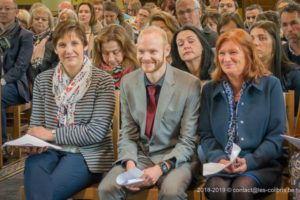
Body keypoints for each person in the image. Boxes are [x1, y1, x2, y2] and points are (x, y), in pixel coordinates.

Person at [98, 26, 201, 200]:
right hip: (141, 155)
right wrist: (131, 165)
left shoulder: (189, 84)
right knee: (107, 188)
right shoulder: (128, 82)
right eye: (141, 51)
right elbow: (128, 134)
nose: (145, 58)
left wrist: (160, 168)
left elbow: (188, 141)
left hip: (175, 158)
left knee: (171, 192)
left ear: (167, 50)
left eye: (153, 51)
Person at [23, 21, 115, 200]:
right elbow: (36, 125)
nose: (68, 50)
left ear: (85, 45)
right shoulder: (43, 80)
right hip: (47, 151)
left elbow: (95, 132)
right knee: (35, 170)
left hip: (86, 154)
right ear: (55, 49)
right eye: (62, 45)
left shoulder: (103, 81)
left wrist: (49, 134)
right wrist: (33, 141)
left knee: (44, 194)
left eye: (75, 43)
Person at [198, 29, 285, 200]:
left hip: (261, 165)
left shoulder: (271, 85)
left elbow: (276, 137)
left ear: (248, 55)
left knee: (241, 188)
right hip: (221, 165)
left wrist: (250, 161)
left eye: (233, 52)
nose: (226, 58)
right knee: (217, 188)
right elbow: (206, 135)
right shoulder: (209, 89)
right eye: (221, 53)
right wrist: (220, 159)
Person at [0, 0, 33, 147]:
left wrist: (2, 81)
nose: (3, 11)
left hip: (14, 86)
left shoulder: (25, 35)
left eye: (7, 8)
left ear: (16, 11)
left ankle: (2, 145)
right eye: (0, 8)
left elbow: (21, 66)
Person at [250, 20, 300, 115]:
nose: (255, 43)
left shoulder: (293, 75)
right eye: (251, 38)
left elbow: (296, 118)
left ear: (274, 43)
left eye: (262, 38)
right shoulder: (244, 73)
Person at [92, 24, 137, 89]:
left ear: (125, 50)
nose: (111, 59)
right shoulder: (94, 72)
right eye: (106, 53)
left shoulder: (136, 71)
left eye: (115, 53)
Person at [27, 6, 58, 87]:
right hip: (27, 82)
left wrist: (44, 79)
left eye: (44, 19)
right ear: (31, 21)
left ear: (49, 22)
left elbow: (57, 63)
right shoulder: (24, 37)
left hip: (48, 82)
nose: (40, 21)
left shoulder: (55, 38)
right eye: (36, 19)